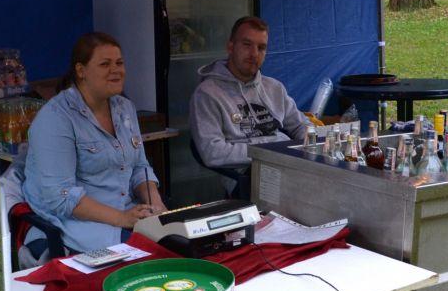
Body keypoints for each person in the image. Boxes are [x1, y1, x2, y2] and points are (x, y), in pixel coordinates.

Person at [22, 32, 165, 255]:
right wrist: (122, 218)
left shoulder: (125, 108)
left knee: (179, 243)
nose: (116, 70)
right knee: (153, 256)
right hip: (78, 226)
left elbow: (140, 167)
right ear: (81, 71)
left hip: (129, 215)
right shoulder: (56, 118)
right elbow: (61, 197)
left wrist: (158, 208)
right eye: (105, 64)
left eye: (119, 63)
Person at [189, 16, 308, 193]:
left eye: (261, 48)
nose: (254, 54)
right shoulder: (207, 94)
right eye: (247, 44)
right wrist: (273, 149)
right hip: (247, 177)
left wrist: (310, 142)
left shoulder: (274, 88)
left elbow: (301, 125)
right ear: (230, 47)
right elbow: (212, 153)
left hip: (287, 164)